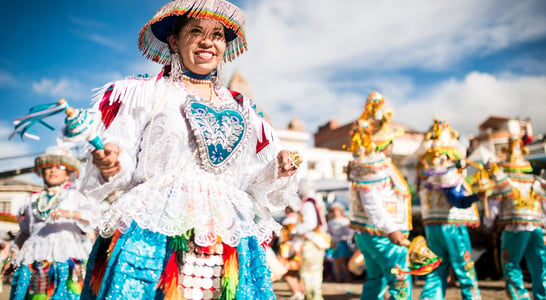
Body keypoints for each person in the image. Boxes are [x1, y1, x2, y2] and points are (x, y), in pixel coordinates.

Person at [77, 0, 300, 299]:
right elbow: (124, 153)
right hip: (155, 227)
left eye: (218, 34)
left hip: (226, 233)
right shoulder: (146, 93)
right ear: (174, 40)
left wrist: (277, 168)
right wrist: (112, 162)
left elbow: (246, 180)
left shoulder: (242, 108)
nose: (208, 41)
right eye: (196, 31)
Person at [346, 91, 413, 300]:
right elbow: (371, 202)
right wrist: (391, 230)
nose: (393, 145)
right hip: (382, 234)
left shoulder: (379, 165)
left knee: (376, 280)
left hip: (371, 233)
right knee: (399, 279)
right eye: (391, 141)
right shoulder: (373, 165)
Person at [9, 146, 97, 300]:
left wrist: (69, 214)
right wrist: (14, 252)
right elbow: (25, 232)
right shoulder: (31, 200)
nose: (53, 171)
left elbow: (93, 218)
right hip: (35, 258)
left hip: (67, 254)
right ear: (42, 171)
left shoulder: (74, 196)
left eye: (60, 167)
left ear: (69, 173)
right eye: (48, 167)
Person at [417, 119, 484, 300]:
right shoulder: (448, 173)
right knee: (465, 267)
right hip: (451, 226)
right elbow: (457, 200)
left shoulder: (425, 176)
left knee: (436, 268)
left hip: (432, 227)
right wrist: (478, 196)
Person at [484, 136, 546, 300]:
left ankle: (521, 297)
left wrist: (488, 223)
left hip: (515, 229)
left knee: (510, 263)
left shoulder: (505, 182)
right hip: (536, 228)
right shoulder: (536, 182)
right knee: (539, 264)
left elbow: (493, 209)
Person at [291, 180, 329, 300]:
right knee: (315, 272)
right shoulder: (315, 201)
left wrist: (295, 230)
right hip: (317, 241)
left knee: (309, 273)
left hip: (311, 242)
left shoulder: (308, 203)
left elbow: (310, 224)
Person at [326, 202, 354, 282]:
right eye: (333, 210)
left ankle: (347, 277)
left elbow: (349, 232)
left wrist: (345, 238)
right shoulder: (331, 222)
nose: (335, 212)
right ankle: (338, 277)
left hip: (342, 243)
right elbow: (329, 232)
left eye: (337, 210)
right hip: (335, 243)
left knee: (342, 261)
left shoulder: (344, 220)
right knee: (336, 261)